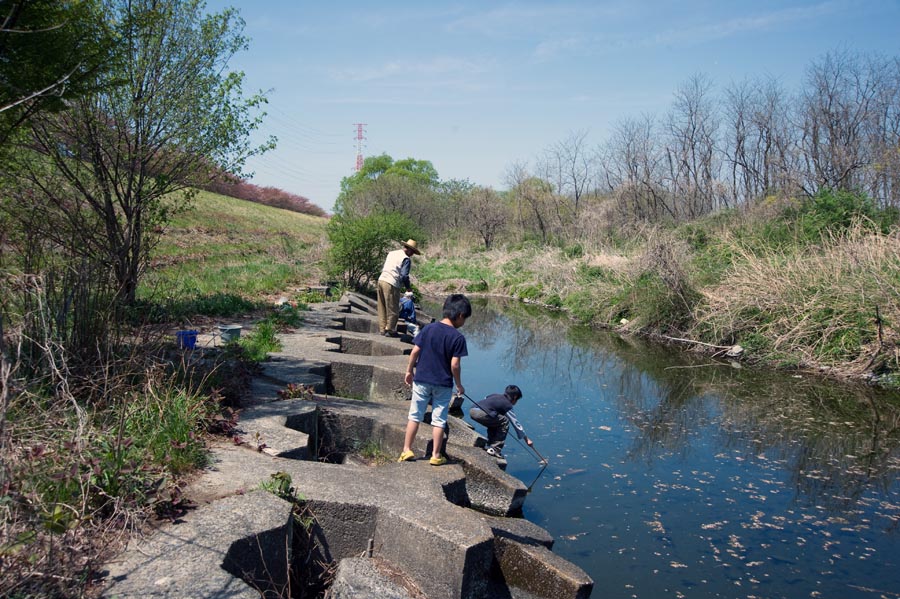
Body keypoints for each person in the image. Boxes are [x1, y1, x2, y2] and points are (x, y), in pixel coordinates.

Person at [398, 294, 471, 466]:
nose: (464, 322)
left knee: (415, 415)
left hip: (422, 380)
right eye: (465, 319)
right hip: (443, 384)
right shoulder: (458, 338)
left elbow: (415, 352)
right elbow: (455, 365)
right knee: (439, 420)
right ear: (460, 315)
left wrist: (409, 371)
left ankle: (407, 449)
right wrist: (459, 385)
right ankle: (436, 455)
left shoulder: (429, 329)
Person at [468, 384, 533, 459]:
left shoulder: (494, 395)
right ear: (515, 397)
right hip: (481, 414)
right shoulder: (507, 405)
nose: (516, 402)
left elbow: (486, 399)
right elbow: (515, 423)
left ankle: (490, 445)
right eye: (517, 400)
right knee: (504, 420)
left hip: (473, 410)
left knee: (495, 419)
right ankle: (495, 449)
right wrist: (527, 439)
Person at [377, 239, 420, 337]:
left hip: (381, 280)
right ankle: (390, 330)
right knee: (393, 308)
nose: (412, 254)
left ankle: (382, 329)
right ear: (409, 250)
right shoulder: (406, 259)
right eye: (412, 252)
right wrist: (408, 288)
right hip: (391, 283)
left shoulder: (392, 253)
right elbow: (404, 276)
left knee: (382, 306)